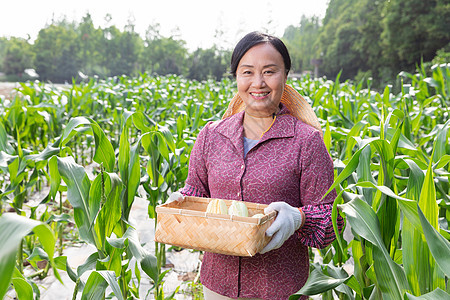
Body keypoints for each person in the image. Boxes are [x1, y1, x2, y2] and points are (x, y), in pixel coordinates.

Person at [169, 31, 344, 300]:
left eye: (269, 71)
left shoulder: (307, 141)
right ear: (236, 77)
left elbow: (332, 220)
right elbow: (198, 195)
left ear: (285, 75)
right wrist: (183, 202)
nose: (258, 83)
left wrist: (299, 218)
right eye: (247, 72)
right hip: (218, 284)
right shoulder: (211, 136)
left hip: (279, 287)